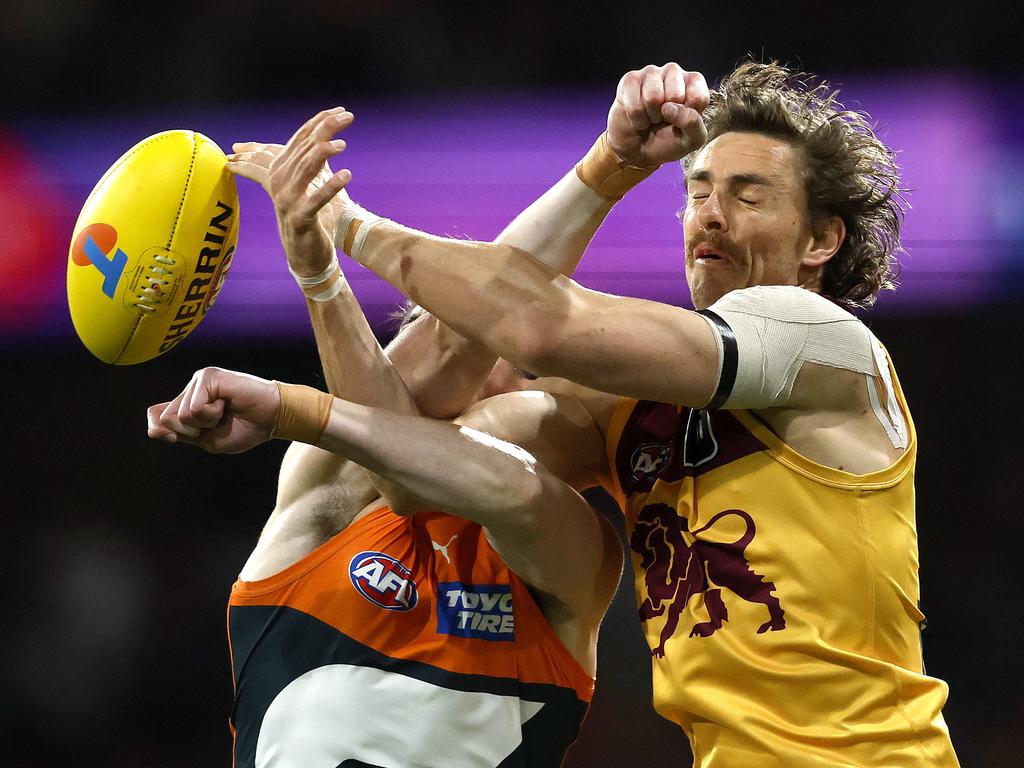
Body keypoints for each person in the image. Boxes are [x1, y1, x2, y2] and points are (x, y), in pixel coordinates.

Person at [242, 60, 961, 765]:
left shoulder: (827, 347)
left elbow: (535, 327)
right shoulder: (624, 410)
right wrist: (318, 275)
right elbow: (411, 464)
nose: (710, 213)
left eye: (748, 196)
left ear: (820, 241)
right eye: (699, 190)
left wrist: (350, 225)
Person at [148, 109, 622, 768]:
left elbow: (469, 477)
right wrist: (315, 267)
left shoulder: (576, 553)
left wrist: (611, 163)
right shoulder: (327, 500)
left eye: (517, 367)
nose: (498, 385)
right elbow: (404, 446)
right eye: (474, 367)